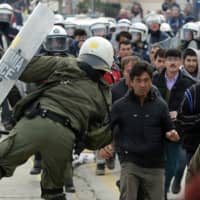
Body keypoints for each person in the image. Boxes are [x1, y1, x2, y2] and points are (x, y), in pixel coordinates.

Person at [0, 36, 114, 200]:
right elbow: (93, 140)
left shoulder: (65, 63)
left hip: (36, 122)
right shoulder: (105, 95)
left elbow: (23, 70)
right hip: (64, 138)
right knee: (53, 192)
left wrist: (5, 54)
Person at [100, 61, 180, 200]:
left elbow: (169, 129)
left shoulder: (160, 106)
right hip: (130, 162)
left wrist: (171, 134)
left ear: (151, 81)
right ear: (131, 82)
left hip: (155, 165)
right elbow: (105, 128)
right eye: (138, 80)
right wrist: (104, 145)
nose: (142, 85)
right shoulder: (120, 106)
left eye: (146, 80)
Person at [152, 48, 196, 199]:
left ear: (181, 62)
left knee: (172, 166)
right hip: (155, 130)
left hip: (177, 132)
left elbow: (194, 107)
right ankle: (160, 193)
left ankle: (166, 188)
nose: (172, 63)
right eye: (169, 59)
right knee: (155, 166)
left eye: (176, 59)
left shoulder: (189, 83)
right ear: (164, 62)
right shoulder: (153, 79)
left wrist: (180, 113)